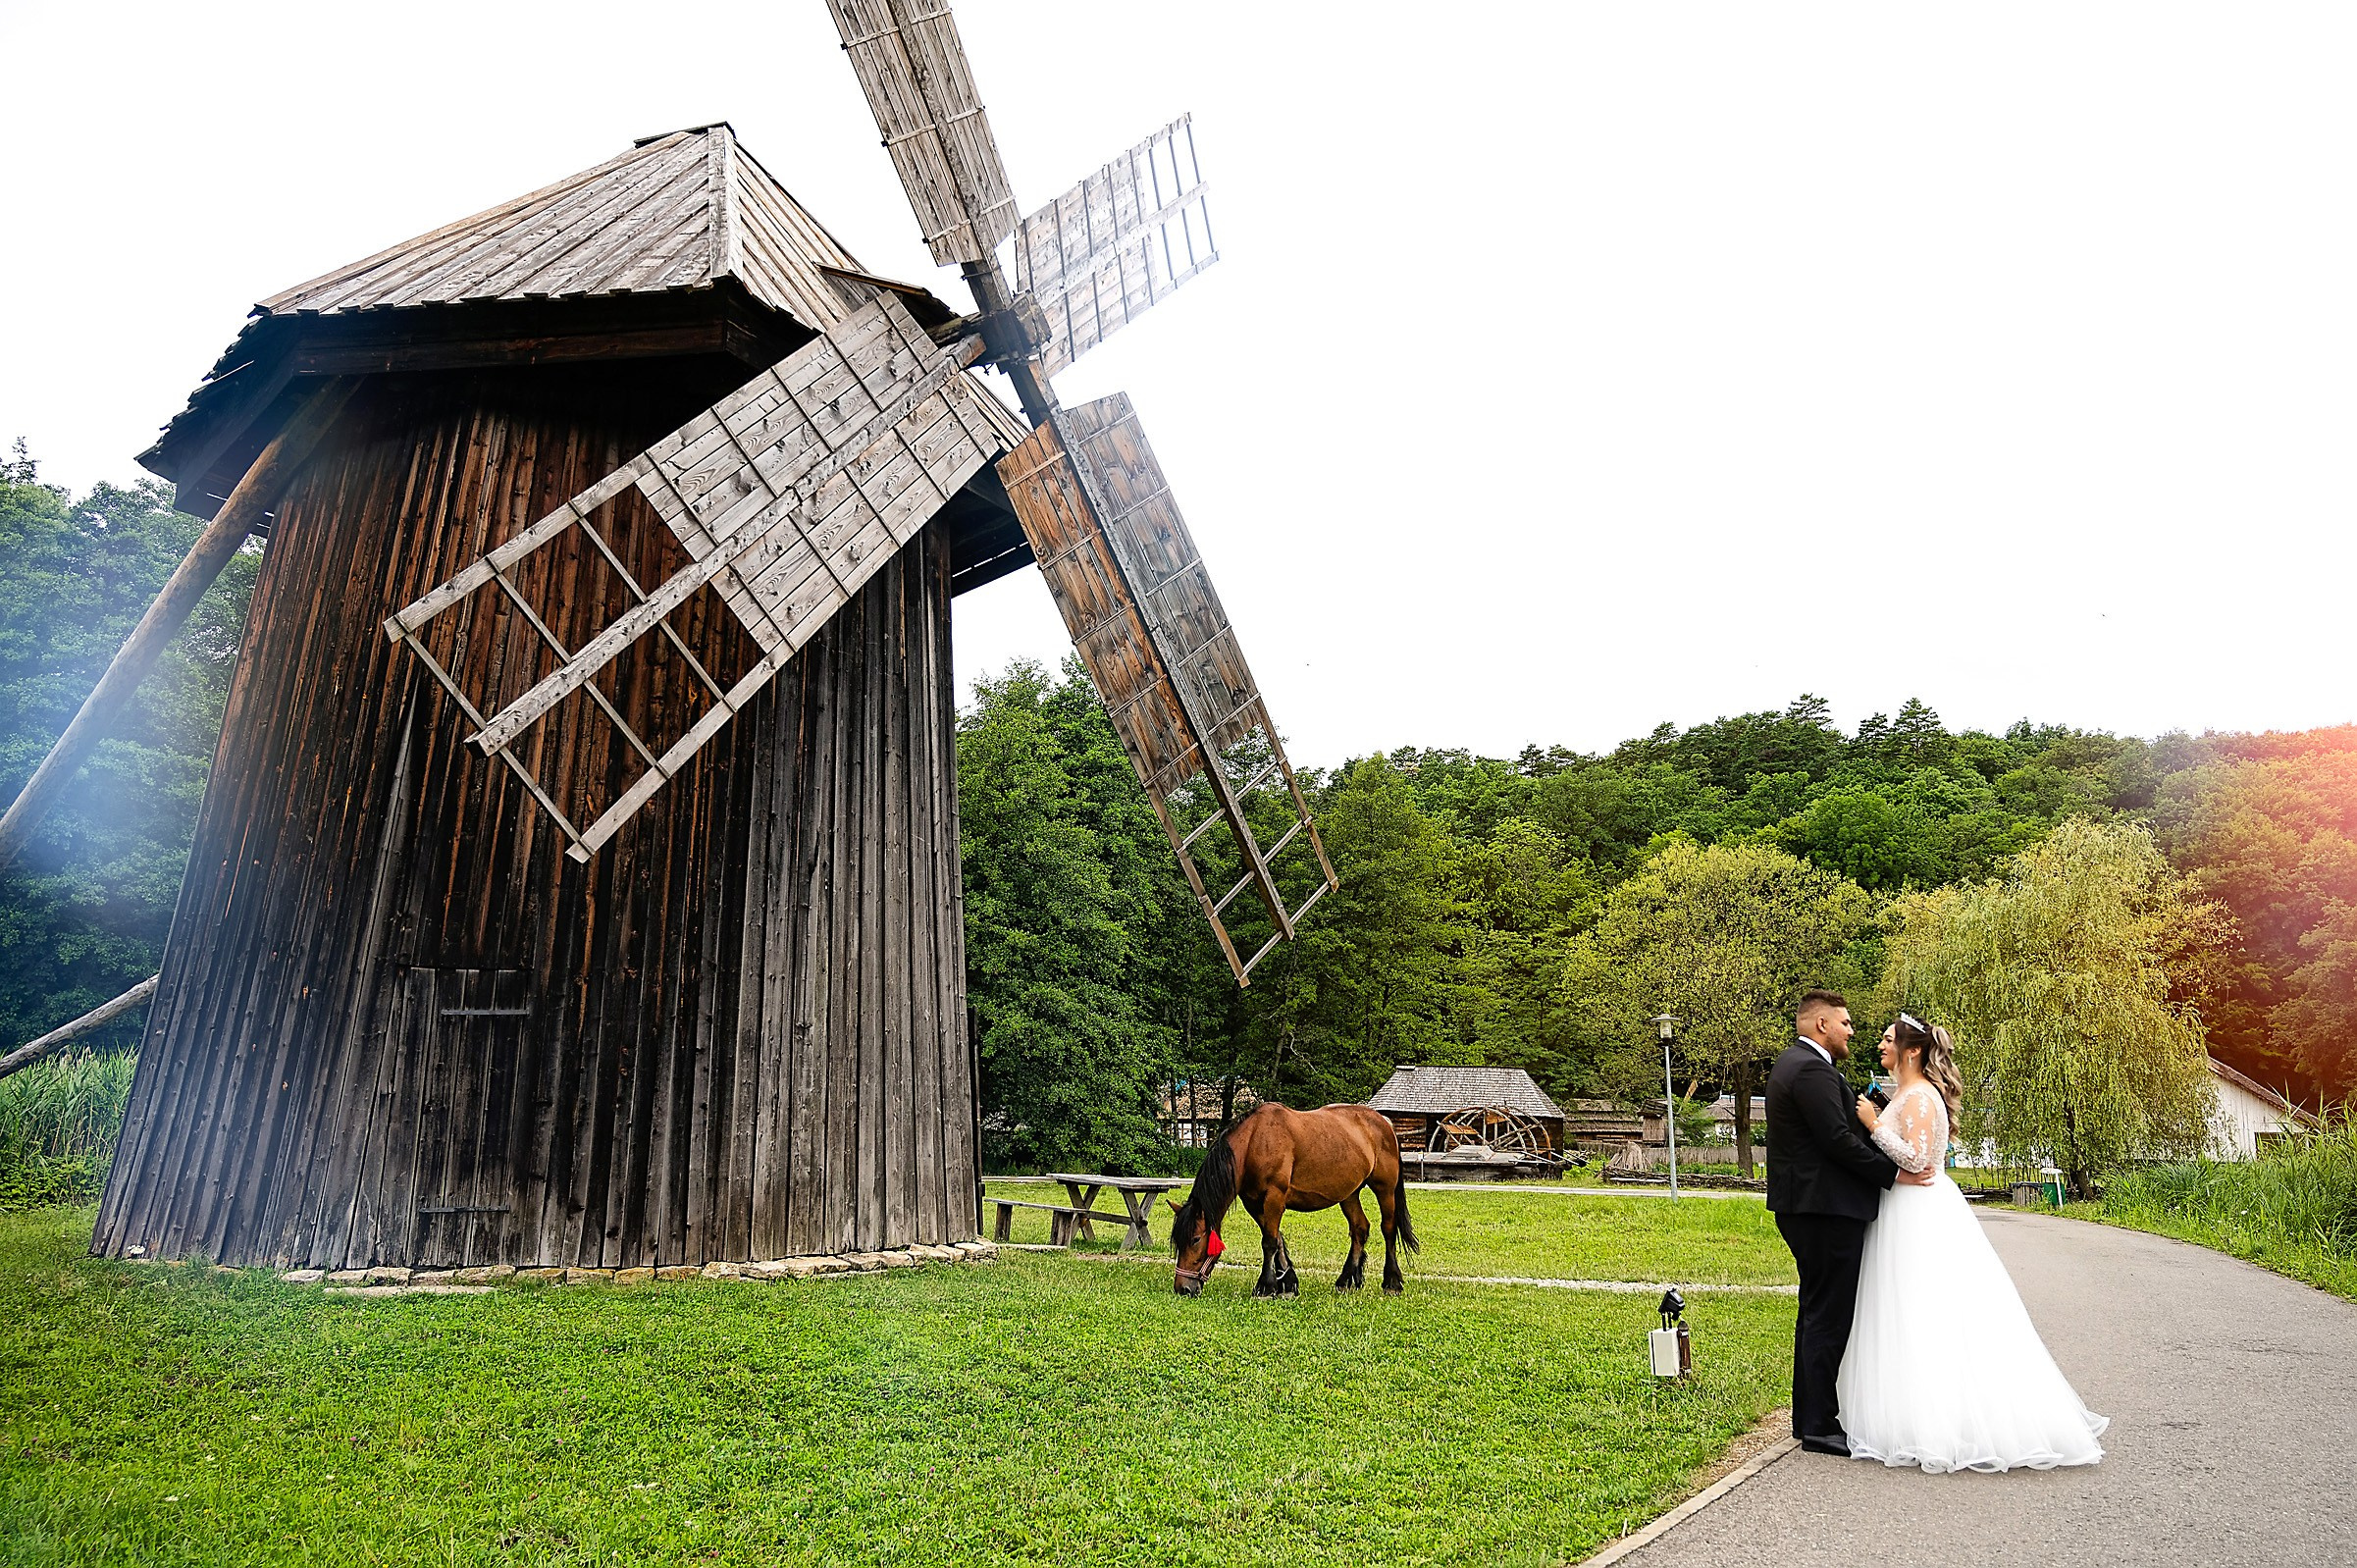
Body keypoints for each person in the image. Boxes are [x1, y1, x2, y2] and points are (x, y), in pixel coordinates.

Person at [1837, 1014, 2108, 1472]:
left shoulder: (1921, 1096)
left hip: (1920, 1209)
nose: (1879, 1045)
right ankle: (1905, 1413)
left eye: (1888, 1039)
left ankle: (1944, 1422)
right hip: (1899, 1208)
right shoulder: (1904, 1092)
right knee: (1902, 1309)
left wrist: (1874, 1125)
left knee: (1930, 1309)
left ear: (1912, 1050)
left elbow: (1920, 1160)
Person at [1765, 990, 1923, 1455]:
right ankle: (1818, 1425)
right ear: (1821, 1026)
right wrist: (1894, 1173)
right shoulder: (1810, 1069)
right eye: (1846, 1023)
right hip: (1823, 1210)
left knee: (1818, 1312)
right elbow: (1835, 1139)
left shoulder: (1803, 1066)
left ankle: (1810, 1419)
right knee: (1828, 1317)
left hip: (1815, 1208)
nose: (1852, 1031)